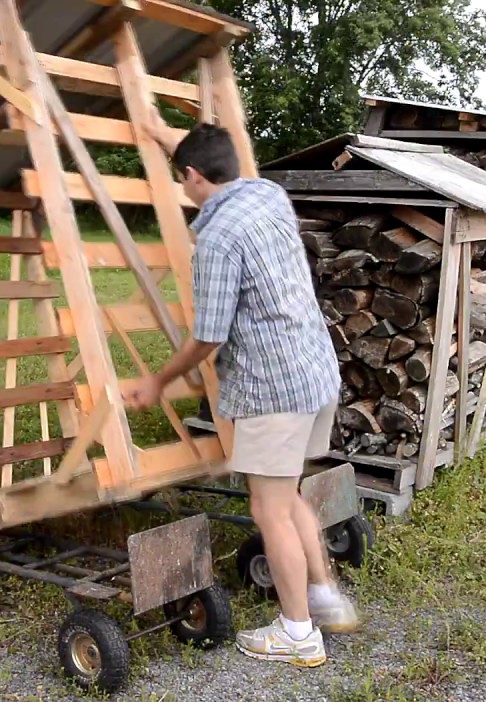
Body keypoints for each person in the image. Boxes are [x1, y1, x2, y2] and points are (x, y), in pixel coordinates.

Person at [125, 121, 358, 668]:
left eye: (182, 177)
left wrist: (157, 381)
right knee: (288, 493)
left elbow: (207, 336)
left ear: (190, 176)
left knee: (269, 508)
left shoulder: (217, 238)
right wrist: (166, 134)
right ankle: (324, 597)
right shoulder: (266, 194)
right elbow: (210, 152)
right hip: (313, 372)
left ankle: (298, 632)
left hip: (272, 387)